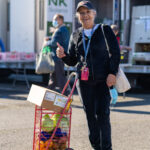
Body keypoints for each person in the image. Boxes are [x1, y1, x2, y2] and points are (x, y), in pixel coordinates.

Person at [56, 1, 120, 150]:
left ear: (94, 14)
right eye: (82, 13)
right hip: (84, 83)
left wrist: (112, 73)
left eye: (87, 12)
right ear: (78, 16)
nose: (85, 16)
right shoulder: (75, 34)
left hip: (103, 80)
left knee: (103, 115)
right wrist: (63, 55)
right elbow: (72, 61)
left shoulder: (104, 30)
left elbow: (116, 53)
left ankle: (106, 148)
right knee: (90, 116)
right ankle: (96, 147)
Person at [43, 14, 70, 95]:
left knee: (59, 77)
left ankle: (65, 94)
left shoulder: (59, 30)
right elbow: (59, 40)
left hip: (58, 57)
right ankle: (47, 94)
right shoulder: (63, 29)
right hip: (60, 57)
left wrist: (46, 43)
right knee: (54, 77)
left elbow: (55, 42)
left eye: (55, 20)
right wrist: (50, 38)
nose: (53, 21)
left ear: (60, 20)